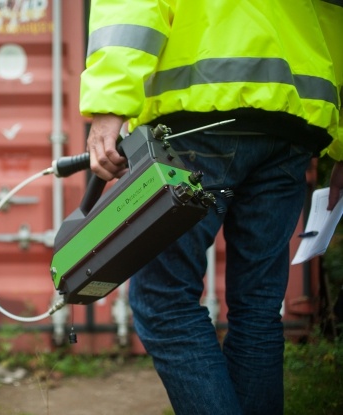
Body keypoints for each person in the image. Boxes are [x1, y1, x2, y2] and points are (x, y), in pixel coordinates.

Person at [79, 1, 343, 414]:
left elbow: (131, 9)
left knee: (163, 302)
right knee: (257, 308)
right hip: (293, 124)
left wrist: (110, 105)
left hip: (200, 111)